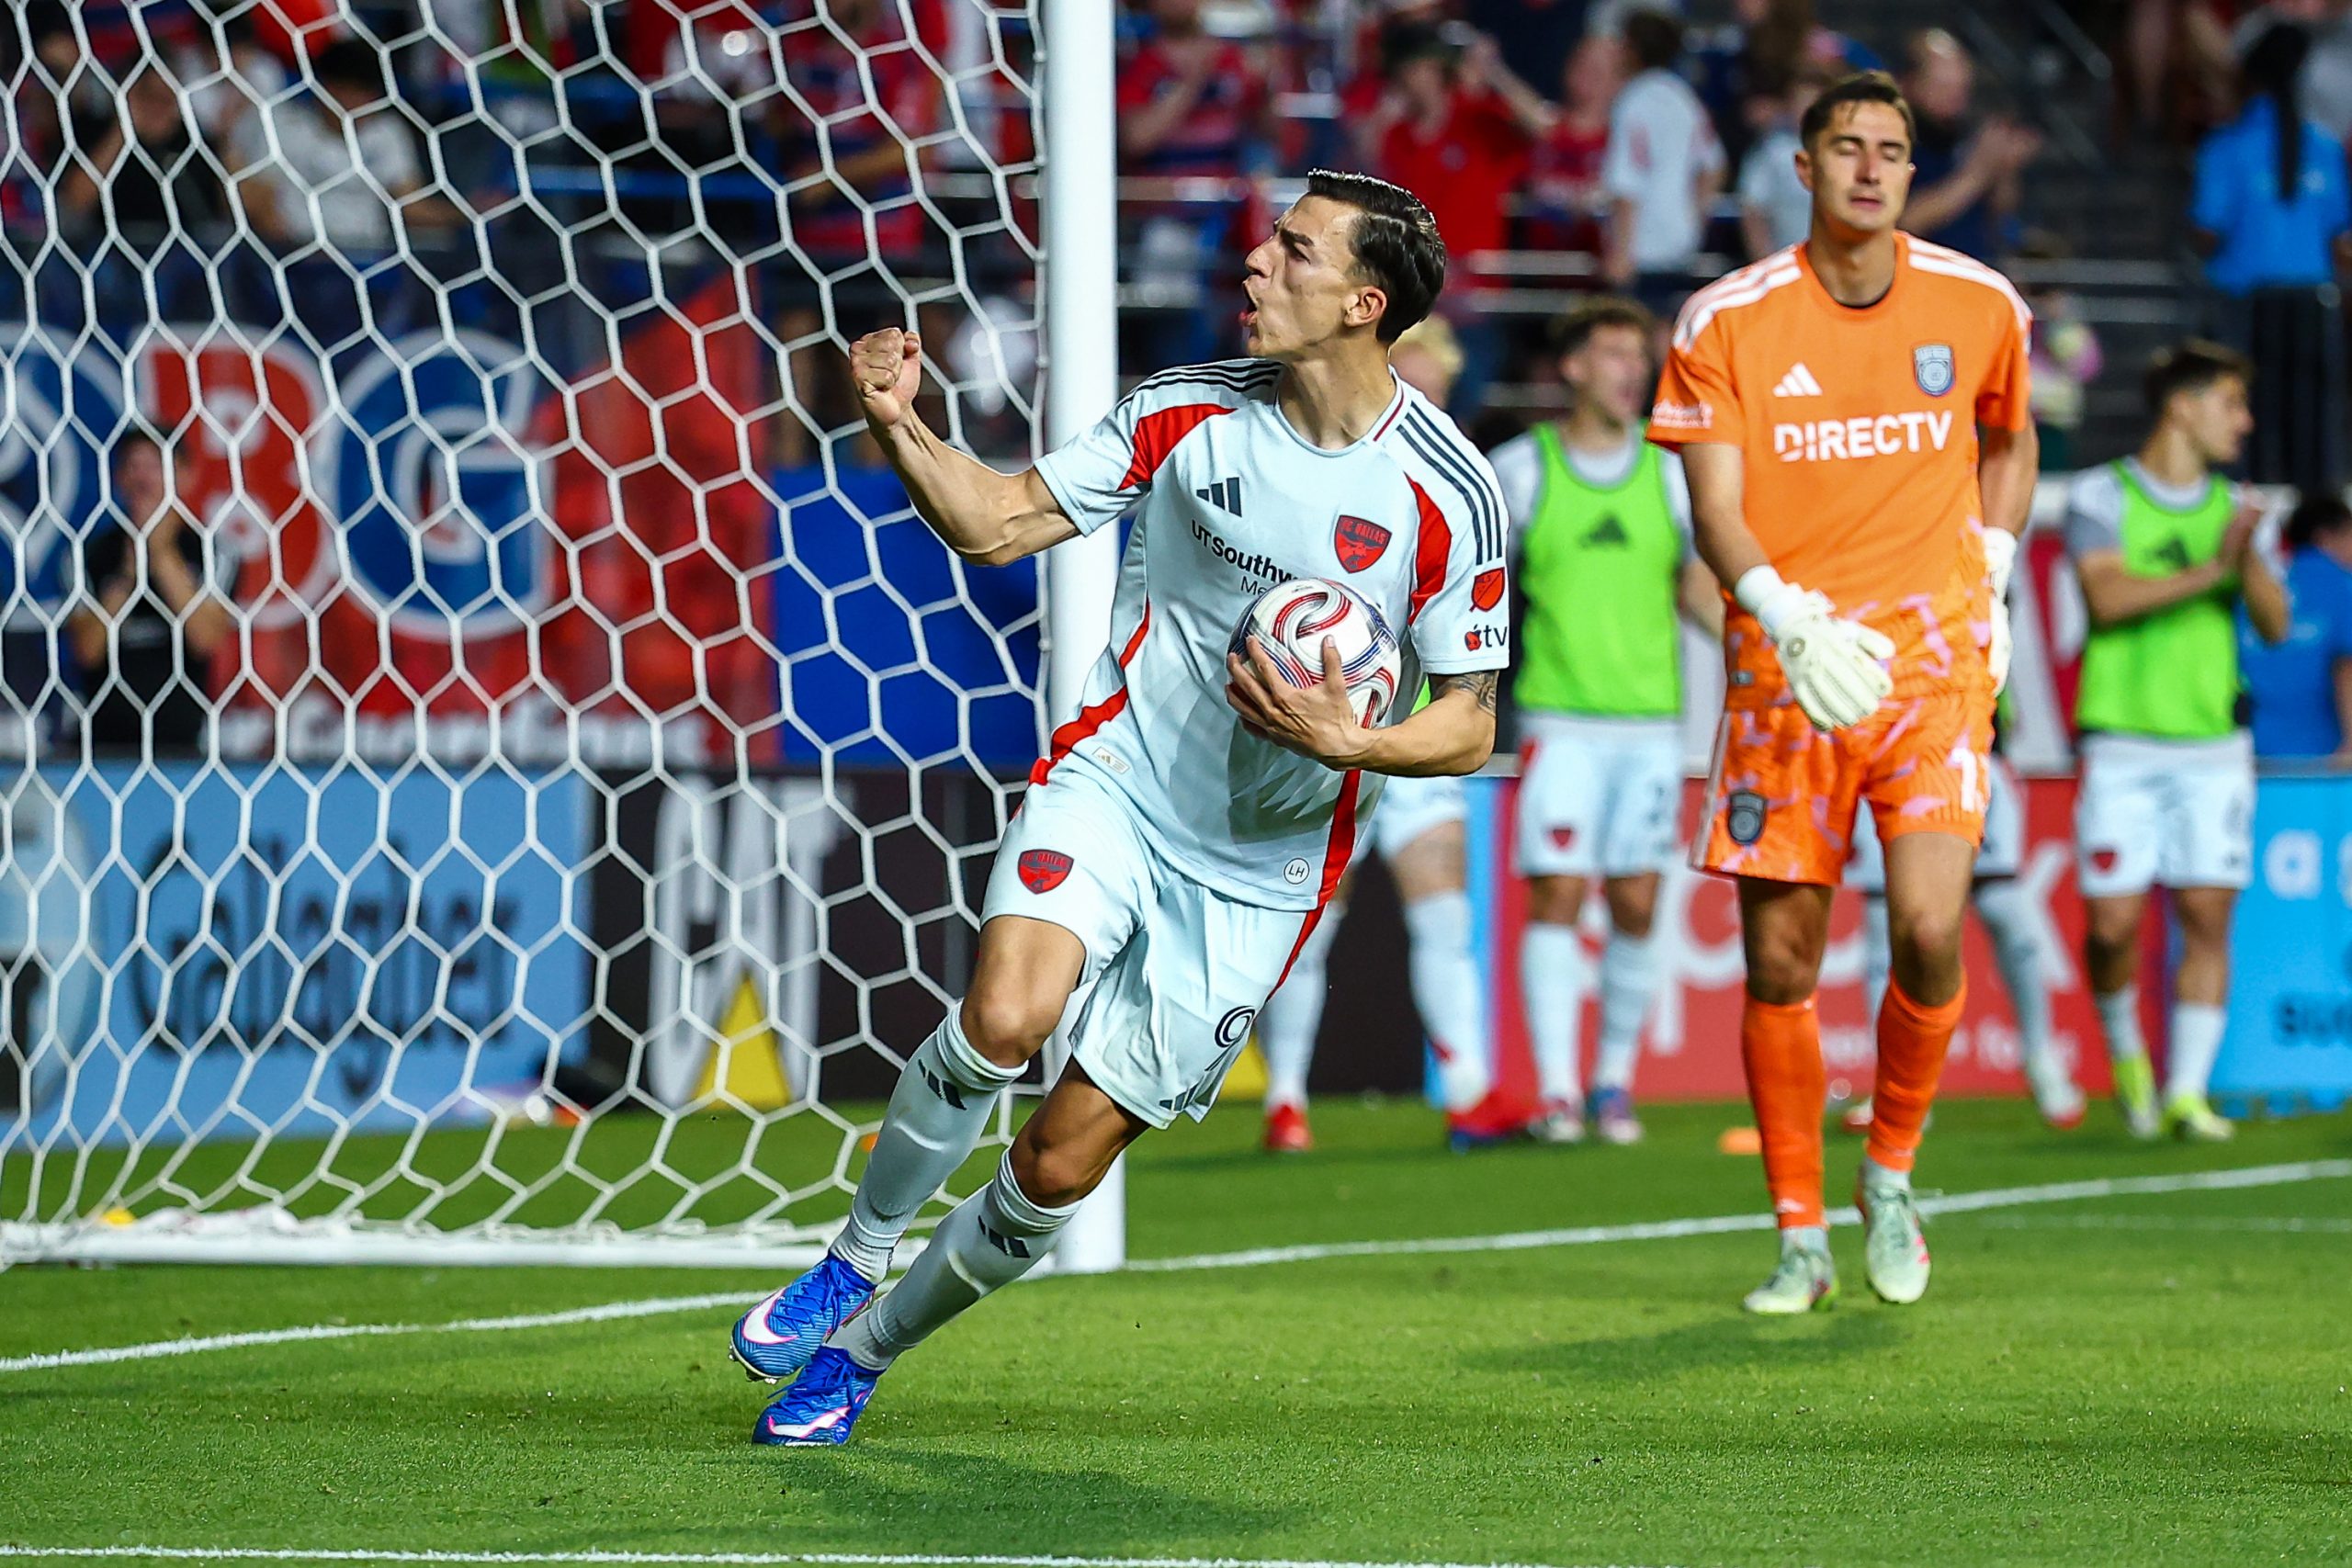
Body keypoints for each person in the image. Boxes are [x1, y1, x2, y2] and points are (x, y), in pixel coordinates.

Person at [734, 171, 1510, 1445]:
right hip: (1120, 782)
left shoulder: (1448, 490)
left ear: (1364, 303)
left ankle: (862, 1355)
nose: (1255, 262)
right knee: (1003, 1013)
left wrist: (1354, 738)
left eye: (1294, 250)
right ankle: (852, 1257)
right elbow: (996, 524)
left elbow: (1471, 720)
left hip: (1262, 867)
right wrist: (898, 422)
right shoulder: (1184, 411)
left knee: (1056, 1162)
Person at [1647, 70, 2040, 1314]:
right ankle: (1799, 1236)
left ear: (1912, 172)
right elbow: (1712, 508)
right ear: (1803, 167)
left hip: (1931, 664)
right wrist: (1785, 616)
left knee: (1928, 927)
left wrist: (1994, 566)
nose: (1871, 168)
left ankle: (1892, 1170)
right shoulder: (1726, 318)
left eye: (1893, 149)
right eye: (1848, 147)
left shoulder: (1979, 302)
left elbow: (2010, 434)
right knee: (1781, 960)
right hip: (1787, 667)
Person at [1258, 319, 1528, 1156]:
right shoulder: (1322, 480)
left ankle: (1470, 1091)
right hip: (1329, 737)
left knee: (1443, 910)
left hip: (1418, 737)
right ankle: (1286, 1098)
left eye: (1436, 394)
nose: (1421, 410)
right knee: (1313, 919)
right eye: (1408, 389)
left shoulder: (1466, 492)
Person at [1487, 298, 1719, 1145]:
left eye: (1639, 355)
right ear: (1574, 367)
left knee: (1636, 899)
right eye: (1615, 354)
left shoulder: (1670, 472)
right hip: (1559, 721)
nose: (1634, 370)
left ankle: (1613, 1084)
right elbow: (1475, 583)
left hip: (1651, 726)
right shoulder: (1522, 469)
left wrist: (1760, 650)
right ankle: (1555, 1089)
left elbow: (1696, 583)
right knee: (1557, 890)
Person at [2064, 341, 2290, 1142]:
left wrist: (2246, 556)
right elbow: (2107, 597)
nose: (2244, 421)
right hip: (2122, 742)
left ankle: (2188, 1092)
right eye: (2231, 403)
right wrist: (2214, 567)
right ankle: (2127, 1050)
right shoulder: (2102, 494)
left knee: (2206, 913)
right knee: (2112, 927)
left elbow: (2275, 623)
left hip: (2212, 744)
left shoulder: (2239, 506)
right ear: (2182, 407)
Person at [1842, 749, 2086, 1133]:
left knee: (2008, 915)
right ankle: (1894, 1084)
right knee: (1886, 926)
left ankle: (2041, 1057)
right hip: (1888, 763)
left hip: (1969, 757)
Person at [69, 433, 233, 756]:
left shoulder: (214, 554)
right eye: (134, 466)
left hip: (184, 745)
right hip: (100, 746)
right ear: (118, 478)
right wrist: (128, 574)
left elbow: (205, 638)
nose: (143, 477)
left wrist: (159, 556)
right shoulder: (88, 554)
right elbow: (87, 650)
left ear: (185, 475)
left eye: (156, 466)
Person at [1600, 10, 1727, 320]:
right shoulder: (1684, 98)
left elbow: (1626, 180)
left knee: (1639, 330)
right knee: (1670, 330)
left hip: (1641, 246)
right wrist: (1693, 219)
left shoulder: (1633, 101)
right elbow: (1714, 166)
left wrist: (1621, 251)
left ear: (1633, 49)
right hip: (1681, 243)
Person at [1898, 30, 2039, 262]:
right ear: (1909, 82)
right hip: (1924, 266)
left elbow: (2000, 214)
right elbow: (1906, 221)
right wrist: (1977, 172)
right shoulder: (1899, 140)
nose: (1955, 98)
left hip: (1974, 262)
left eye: (1961, 88)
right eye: (1943, 87)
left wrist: (2004, 167)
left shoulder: (1964, 135)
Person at [2242, 493, 2352, 760]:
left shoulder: (2254, 588)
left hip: (2253, 753)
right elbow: (2347, 667)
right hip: (2326, 756)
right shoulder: (2342, 585)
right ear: (2325, 536)